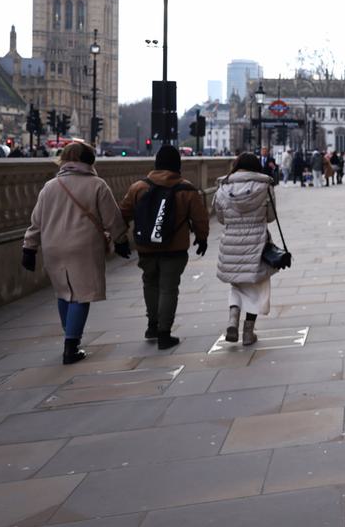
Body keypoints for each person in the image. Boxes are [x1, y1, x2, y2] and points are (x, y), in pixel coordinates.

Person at [21, 141, 131, 364]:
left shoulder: (50, 186)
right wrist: (120, 240)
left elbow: (36, 222)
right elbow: (112, 218)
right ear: (89, 161)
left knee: (64, 291)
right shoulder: (97, 185)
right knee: (81, 294)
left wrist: (29, 247)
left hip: (53, 246)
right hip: (83, 247)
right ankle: (71, 345)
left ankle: (69, 332)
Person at [120, 145, 210, 349]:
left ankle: (152, 325)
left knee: (150, 284)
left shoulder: (138, 188)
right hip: (174, 248)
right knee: (169, 289)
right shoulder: (186, 189)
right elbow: (200, 218)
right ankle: (164, 333)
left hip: (146, 247)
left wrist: (120, 239)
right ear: (177, 164)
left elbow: (122, 214)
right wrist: (202, 238)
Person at [213, 152, 278, 345]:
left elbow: (221, 218)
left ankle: (233, 319)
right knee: (257, 287)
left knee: (237, 285)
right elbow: (271, 217)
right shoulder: (264, 186)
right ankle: (248, 332)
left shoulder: (223, 187)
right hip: (257, 243)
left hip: (231, 244)